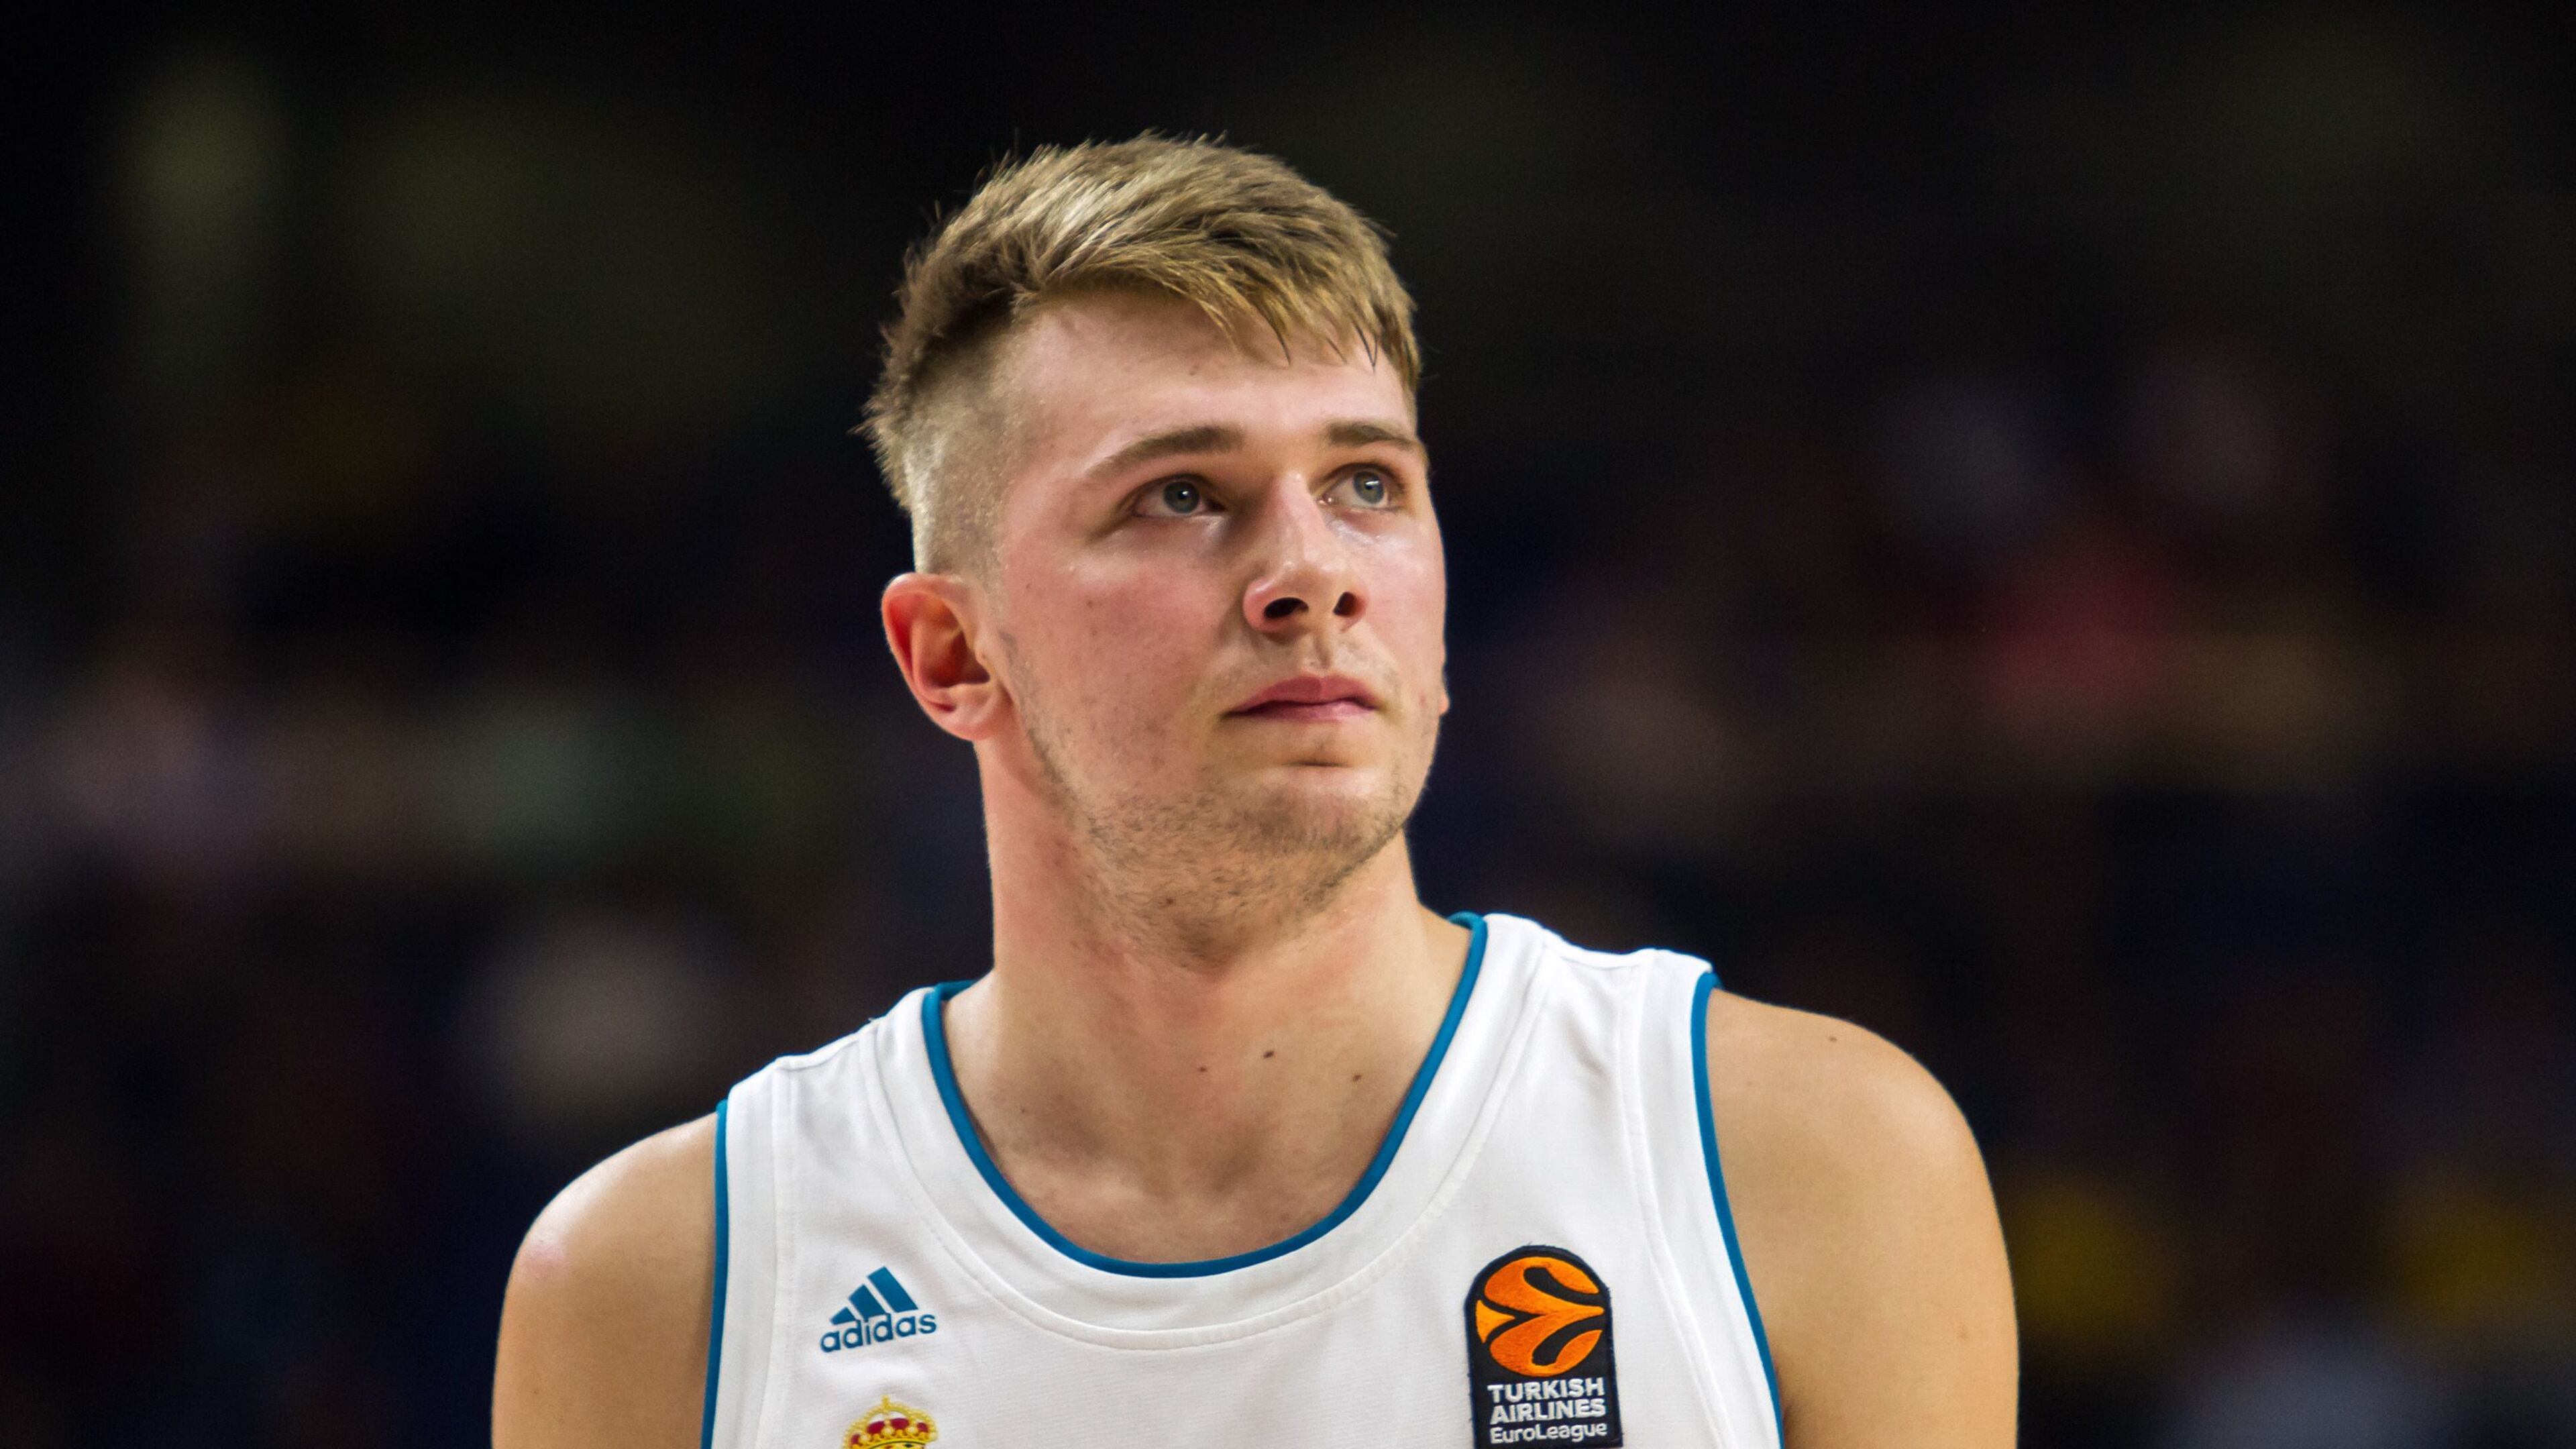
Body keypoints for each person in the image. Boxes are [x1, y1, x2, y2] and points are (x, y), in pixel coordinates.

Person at [492, 135, 2015, 1449]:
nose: (1310, 574)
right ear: (953, 651)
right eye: (1182, 496)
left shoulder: (1809, 1167)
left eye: (1367, 484)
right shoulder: (661, 1284)